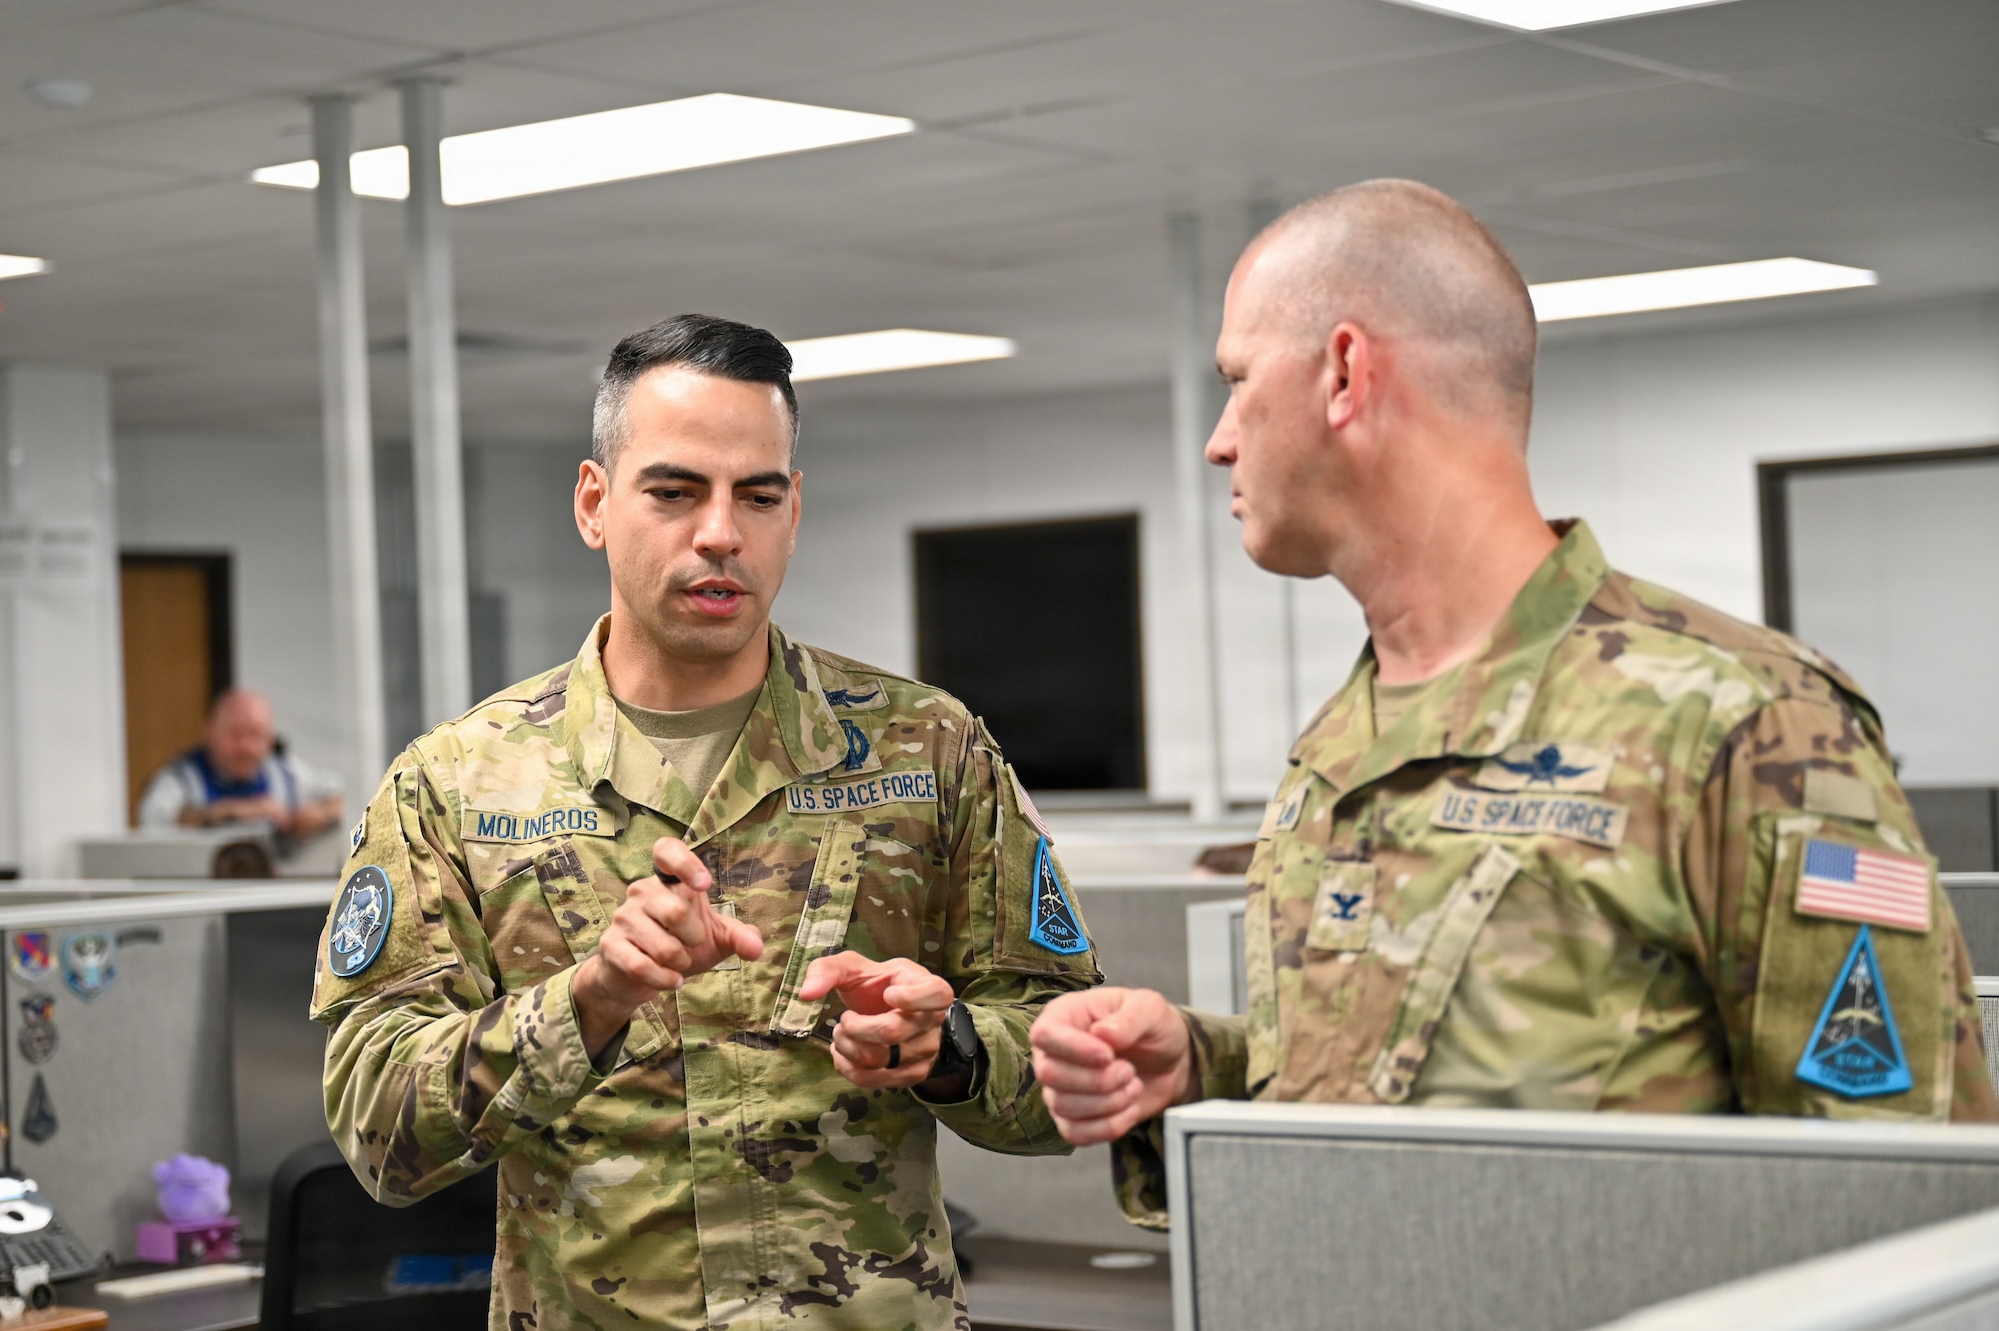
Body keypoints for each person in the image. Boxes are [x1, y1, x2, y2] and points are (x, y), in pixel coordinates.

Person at [1028, 179, 1999, 1229]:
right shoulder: (1343, 741)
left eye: (1237, 378)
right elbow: (1404, 1092)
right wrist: (1202, 1066)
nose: (1218, 438)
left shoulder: (1741, 720)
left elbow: (1902, 1196)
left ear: (1343, 372)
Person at [313, 314, 1101, 1329]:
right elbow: (379, 1133)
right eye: (675, 491)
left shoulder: (926, 752)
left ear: (793, 509)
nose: (720, 531)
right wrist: (588, 1000)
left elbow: (1073, 1067)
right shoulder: (461, 783)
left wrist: (947, 1044)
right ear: (595, 504)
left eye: (757, 495)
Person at [136, 688, 342, 840]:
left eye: (256, 736)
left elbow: (353, 796)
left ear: (270, 738)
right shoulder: (181, 779)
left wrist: (323, 815)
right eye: (235, 734)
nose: (246, 748)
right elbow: (153, 818)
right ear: (209, 731)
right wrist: (232, 813)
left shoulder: (287, 773)